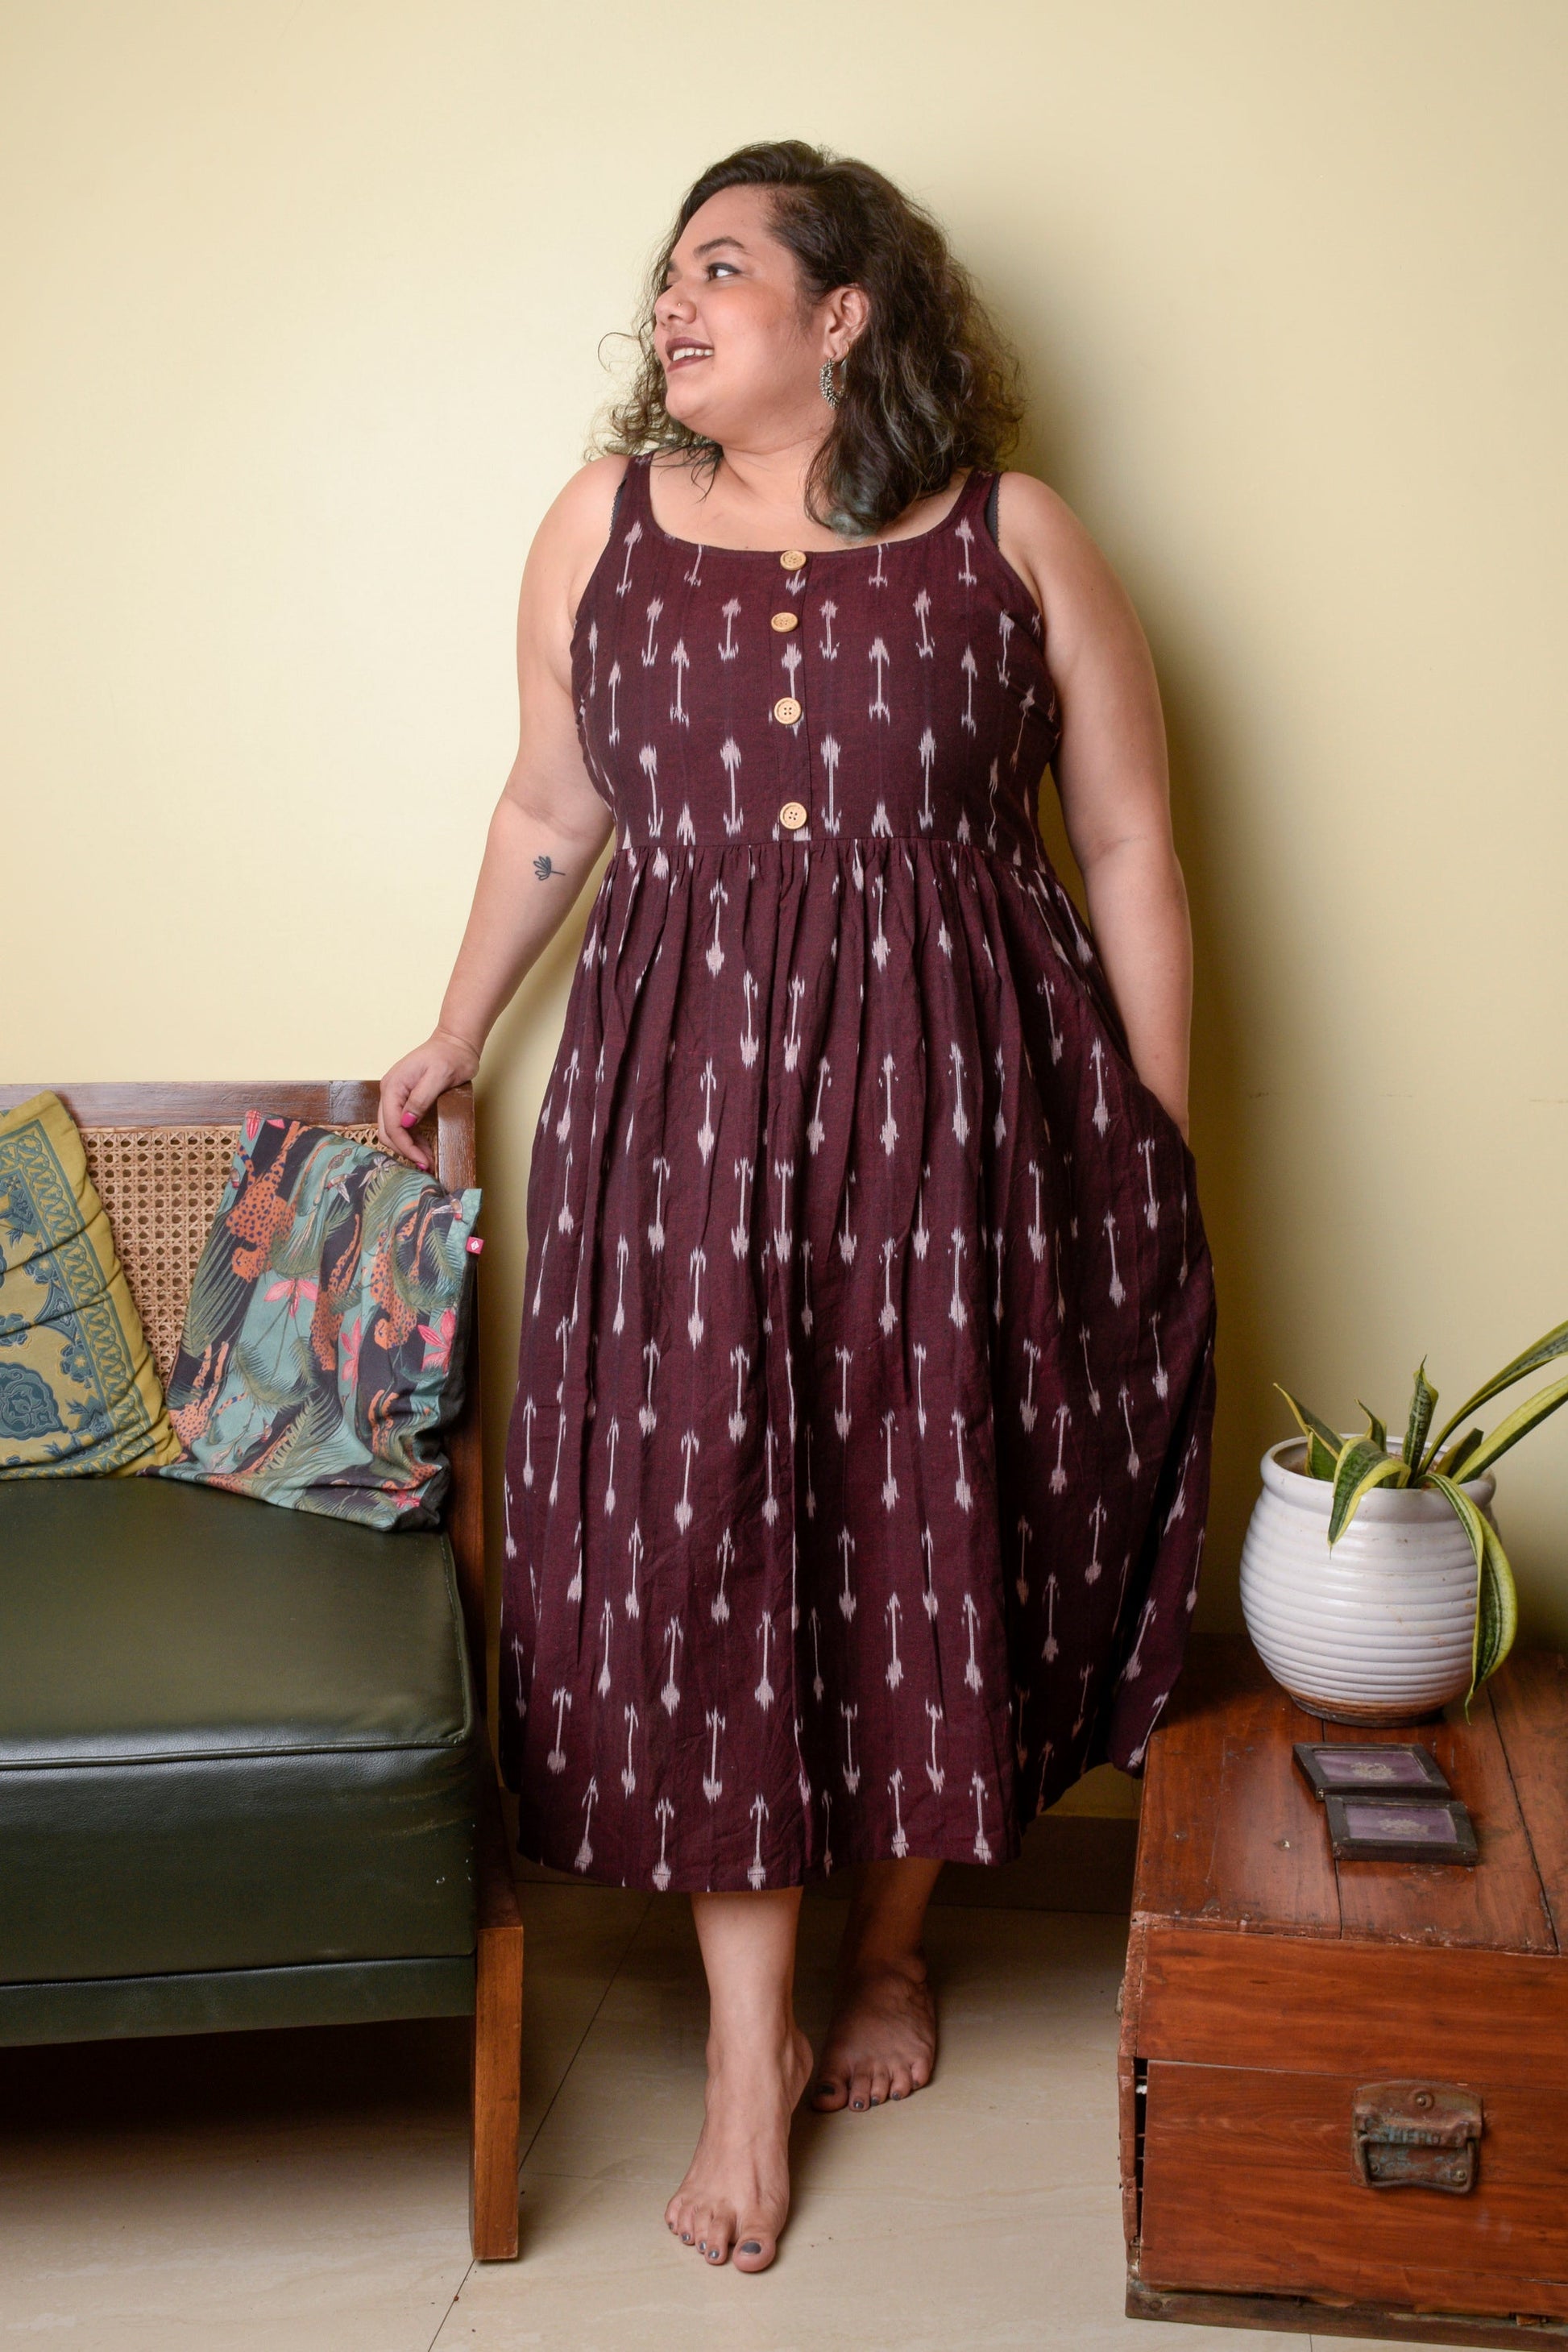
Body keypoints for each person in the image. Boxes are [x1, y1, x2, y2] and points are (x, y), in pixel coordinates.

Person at [379, 139, 1217, 2275]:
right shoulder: (601, 523)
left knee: (936, 1510)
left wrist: (1152, 1125)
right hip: (677, 1113)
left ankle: (891, 1947)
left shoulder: (1016, 537)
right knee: (713, 1530)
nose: (672, 302)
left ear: (844, 314)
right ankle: (746, 2053)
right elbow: (547, 802)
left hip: (967, 1112)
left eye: (722, 266)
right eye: (667, 272)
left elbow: (1127, 839)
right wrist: (454, 1029)